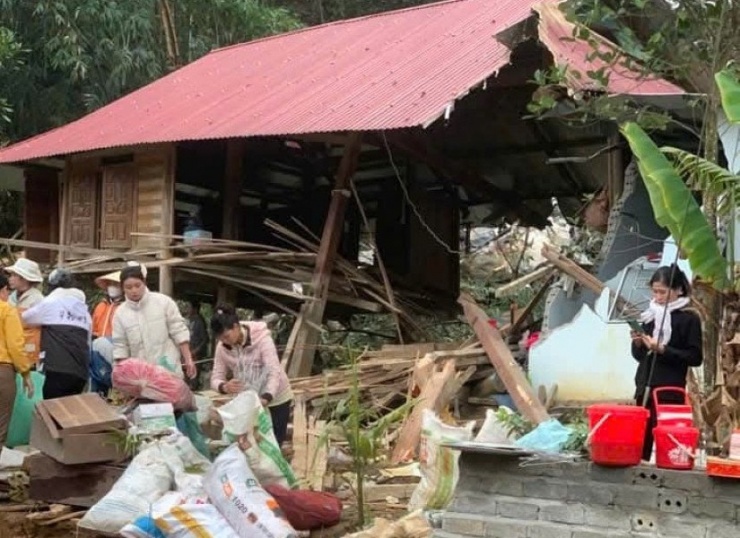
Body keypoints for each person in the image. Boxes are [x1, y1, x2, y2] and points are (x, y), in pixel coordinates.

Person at [631, 264, 702, 461]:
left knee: (667, 439)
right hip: (645, 383)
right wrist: (638, 343)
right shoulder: (650, 315)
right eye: (654, 292)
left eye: (662, 292)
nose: (657, 297)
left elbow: (695, 357)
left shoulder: (689, 318)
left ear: (678, 290)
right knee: (641, 437)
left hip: (669, 387)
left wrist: (663, 350)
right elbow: (639, 356)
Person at [210, 304, 293, 445]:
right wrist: (224, 387)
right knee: (249, 444)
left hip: (276, 398)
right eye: (220, 338)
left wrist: (267, 397)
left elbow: (274, 371)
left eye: (226, 336)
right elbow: (216, 377)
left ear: (236, 326)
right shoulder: (222, 347)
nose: (224, 341)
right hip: (249, 401)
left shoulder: (262, 339)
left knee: (274, 444)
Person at [112, 264, 196, 379]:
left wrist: (188, 359)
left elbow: (179, 331)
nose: (134, 290)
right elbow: (120, 346)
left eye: (137, 285)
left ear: (144, 282)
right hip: (140, 376)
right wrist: (123, 373)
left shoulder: (163, 302)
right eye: (129, 287)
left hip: (168, 368)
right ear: (122, 288)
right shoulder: (120, 314)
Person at [22, 268, 92, 399]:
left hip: (57, 369)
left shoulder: (50, 303)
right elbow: (88, 343)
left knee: (52, 412)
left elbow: (23, 319)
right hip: (81, 372)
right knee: (70, 414)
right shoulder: (84, 312)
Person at [0, 273, 34, 446]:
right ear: (4, 290)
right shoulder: (7, 310)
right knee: (1, 424)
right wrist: (26, 373)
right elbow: (15, 345)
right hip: (3, 371)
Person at [5, 258, 44, 366]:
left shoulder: (37, 299)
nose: (10, 279)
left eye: (14, 275)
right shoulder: (12, 297)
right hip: (12, 351)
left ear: (24, 278)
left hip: (31, 352)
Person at [91, 270, 124, 339]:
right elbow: (94, 329)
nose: (111, 287)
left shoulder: (127, 307)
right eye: (109, 284)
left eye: (115, 284)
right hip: (100, 345)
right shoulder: (101, 306)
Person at [185, 298, 209, 389]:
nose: (188, 310)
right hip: (188, 354)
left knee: (193, 378)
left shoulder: (200, 321)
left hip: (196, 355)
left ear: (195, 309)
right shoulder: (189, 320)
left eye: (189, 307)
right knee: (186, 378)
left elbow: (205, 339)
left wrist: (195, 351)